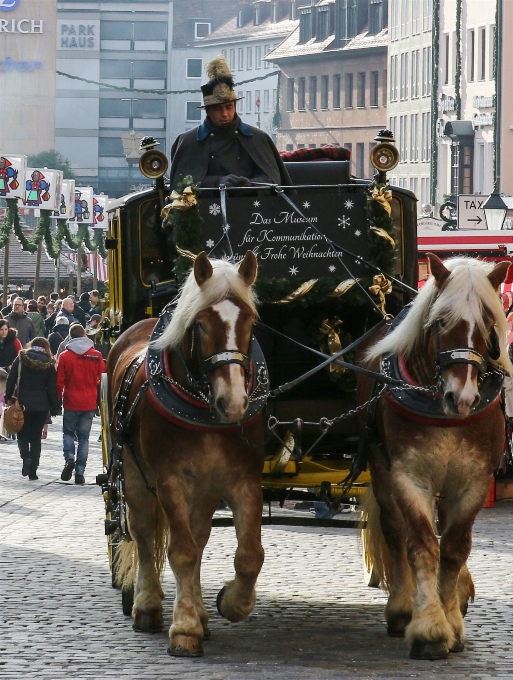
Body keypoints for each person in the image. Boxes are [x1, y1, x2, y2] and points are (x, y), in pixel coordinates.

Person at [169, 55, 291, 190]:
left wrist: (250, 185)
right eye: (218, 109)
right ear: (208, 111)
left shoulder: (258, 138)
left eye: (229, 107)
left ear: (235, 106)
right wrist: (217, 182)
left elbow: (273, 179)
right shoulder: (189, 142)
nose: (225, 114)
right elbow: (181, 186)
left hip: (252, 207)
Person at [5, 337, 60, 480]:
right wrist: (54, 406)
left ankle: (25, 457)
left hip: (23, 402)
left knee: (22, 434)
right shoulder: (49, 363)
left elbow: (11, 378)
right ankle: (33, 471)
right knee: (36, 437)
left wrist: (7, 396)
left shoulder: (22, 358)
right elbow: (52, 389)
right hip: (42, 405)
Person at [56, 323, 104, 485]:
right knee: (84, 438)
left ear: (70, 337)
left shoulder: (64, 356)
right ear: (85, 335)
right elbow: (101, 379)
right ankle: (80, 473)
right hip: (89, 401)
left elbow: (60, 382)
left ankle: (69, 458)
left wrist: (56, 399)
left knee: (68, 433)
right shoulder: (96, 356)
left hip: (71, 400)